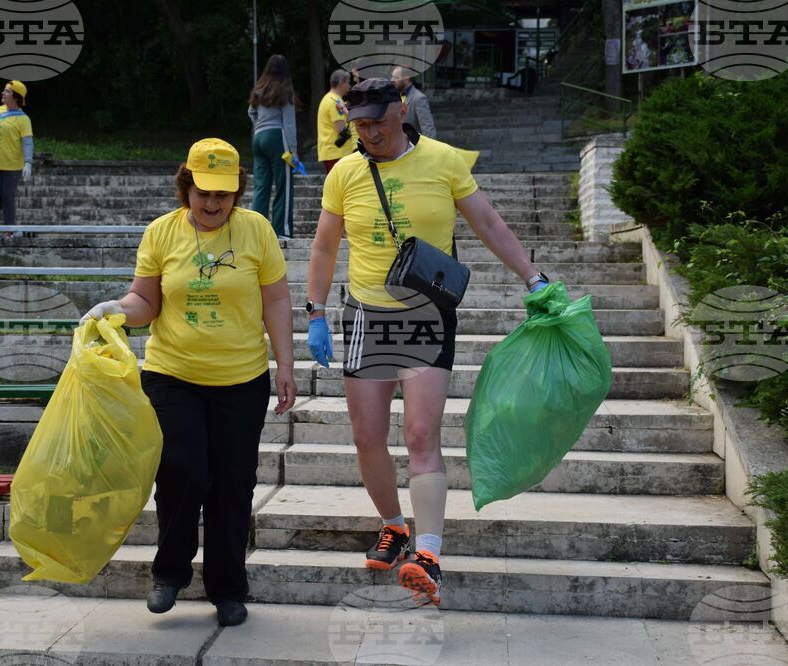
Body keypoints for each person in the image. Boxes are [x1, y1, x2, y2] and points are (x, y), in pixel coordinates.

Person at [305, 78, 549, 606]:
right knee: (367, 437)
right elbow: (325, 245)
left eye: (375, 122)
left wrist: (532, 277)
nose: (367, 133)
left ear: (401, 112)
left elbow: (486, 221)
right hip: (366, 316)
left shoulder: (443, 161)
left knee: (420, 435)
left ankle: (431, 554)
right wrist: (317, 311)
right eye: (359, 125)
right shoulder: (345, 172)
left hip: (426, 317)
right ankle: (394, 525)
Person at [81, 138, 296, 626]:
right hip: (172, 374)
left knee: (233, 485)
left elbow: (277, 302)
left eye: (224, 194)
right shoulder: (161, 233)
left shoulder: (257, 230)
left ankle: (227, 588)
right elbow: (146, 301)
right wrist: (116, 309)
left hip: (240, 379)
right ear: (186, 186)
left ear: (238, 191)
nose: (214, 203)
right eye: (204, 193)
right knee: (182, 471)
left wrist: (284, 364)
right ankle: (171, 571)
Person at [248, 54, 298, 240]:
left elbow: (251, 111)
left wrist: (259, 125)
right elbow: (289, 122)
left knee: (262, 186)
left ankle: (255, 232)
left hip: (258, 138)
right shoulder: (285, 91)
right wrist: (293, 150)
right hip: (278, 137)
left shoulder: (259, 91)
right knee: (284, 186)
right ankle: (282, 231)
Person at [0, 81, 34, 237]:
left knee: (8, 198)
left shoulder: (24, 120)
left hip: (12, 166)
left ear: (16, 97)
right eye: (4, 91)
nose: (3, 93)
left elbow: (27, 142)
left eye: (7, 92)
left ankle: (9, 230)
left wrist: (28, 162)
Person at [316, 69, 357, 174]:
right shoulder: (335, 102)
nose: (349, 86)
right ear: (341, 83)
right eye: (348, 82)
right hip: (337, 153)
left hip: (333, 152)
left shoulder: (330, 99)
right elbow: (341, 130)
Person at [391, 66, 436, 138]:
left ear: (406, 79)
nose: (392, 80)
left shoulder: (419, 98)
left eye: (396, 77)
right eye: (392, 77)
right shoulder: (393, 96)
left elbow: (428, 129)